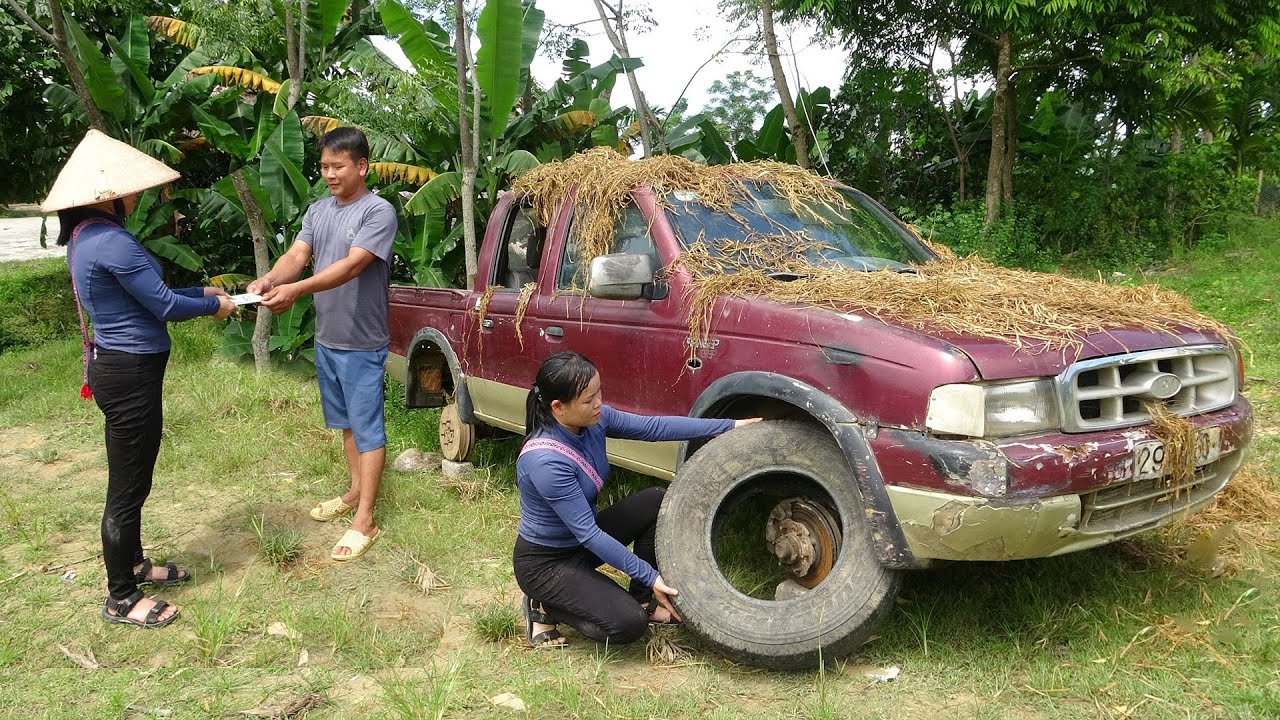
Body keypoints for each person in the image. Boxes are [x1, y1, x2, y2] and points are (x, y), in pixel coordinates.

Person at [40, 130, 237, 628]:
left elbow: (148, 294)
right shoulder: (111, 239)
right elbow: (165, 306)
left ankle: (133, 563)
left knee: (135, 476)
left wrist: (203, 288)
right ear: (108, 196)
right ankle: (121, 596)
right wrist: (216, 305)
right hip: (129, 374)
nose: (135, 196)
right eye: (129, 190)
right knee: (127, 486)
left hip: (118, 368)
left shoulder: (87, 236)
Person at [514, 351, 760, 647]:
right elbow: (590, 535)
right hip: (547, 564)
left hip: (579, 545)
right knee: (628, 624)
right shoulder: (544, 461)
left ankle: (643, 600)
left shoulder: (592, 421)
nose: (599, 404)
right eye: (588, 399)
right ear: (558, 407)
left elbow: (653, 428)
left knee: (657, 501)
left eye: (599, 392)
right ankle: (545, 605)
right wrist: (652, 576)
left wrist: (729, 426)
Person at [246, 127, 397, 562]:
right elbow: (297, 255)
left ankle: (365, 519)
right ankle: (354, 492)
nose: (329, 174)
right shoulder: (318, 210)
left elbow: (352, 267)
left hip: (361, 341)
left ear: (361, 166)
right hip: (328, 338)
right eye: (324, 167)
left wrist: (297, 291)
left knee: (367, 428)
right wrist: (273, 279)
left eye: (338, 166)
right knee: (347, 424)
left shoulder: (378, 212)